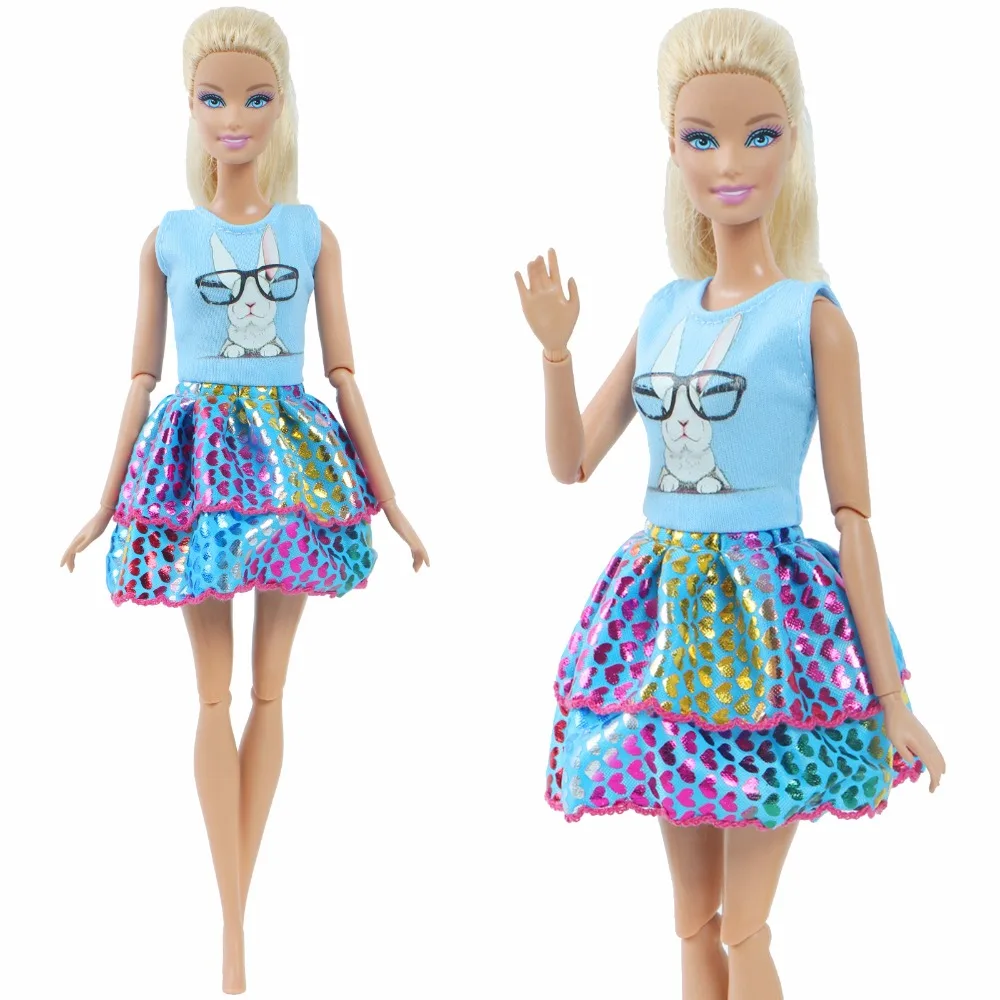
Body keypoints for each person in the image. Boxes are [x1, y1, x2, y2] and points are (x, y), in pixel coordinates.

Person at [515, 9, 944, 1000]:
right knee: (691, 921)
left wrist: (893, 700)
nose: (731, 163)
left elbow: (853, 517)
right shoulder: (664, 308)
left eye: (759, 134)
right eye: (702, 138)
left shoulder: (812, 319)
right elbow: (572, 461)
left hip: (769, 632)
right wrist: (555, 352)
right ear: (671, 148)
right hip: (666, 628)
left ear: (794, 139)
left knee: (746, 926)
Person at [60, 7, 428, 993]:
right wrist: (103, 503)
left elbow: (344, 372)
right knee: (212, 693)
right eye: (215, 98)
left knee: (270, 690)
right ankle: (232, 931)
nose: (234, 117)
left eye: (256, 97)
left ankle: (234, 926)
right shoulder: (168, 238)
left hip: (292, 467)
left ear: (282, 103)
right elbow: (139, 378)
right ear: (188, 103)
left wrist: (392, 500)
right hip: (194, 468)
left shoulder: (310, 232)